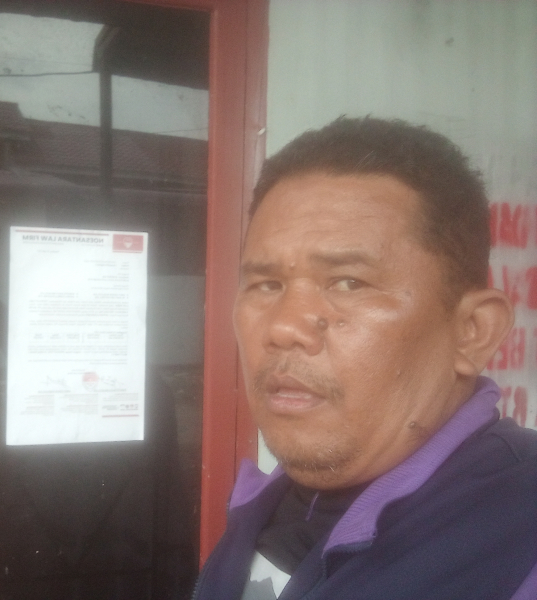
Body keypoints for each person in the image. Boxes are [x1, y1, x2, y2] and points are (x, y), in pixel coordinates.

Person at [193, 117, 537, 600]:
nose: (282, 327)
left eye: (349, 283)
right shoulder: (263, 503)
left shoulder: (518, 537)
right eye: (266, 284)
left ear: (472, 331)